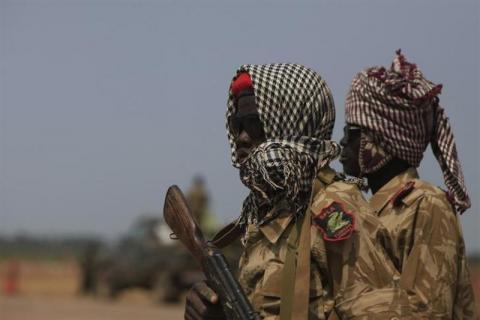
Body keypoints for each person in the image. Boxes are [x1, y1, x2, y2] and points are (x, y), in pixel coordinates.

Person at [184, 63, 413, 320]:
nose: (242, 138)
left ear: (293, 124)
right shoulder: (265, 212)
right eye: (237, 126)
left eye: (255, 124)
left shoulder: (331, 206)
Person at [340, 50, 477, 318]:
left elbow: (427, 311)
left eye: (352, 132)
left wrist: (341, 306)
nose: (343, 142)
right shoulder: (373, 209)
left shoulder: (426, 205)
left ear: (380, 141)